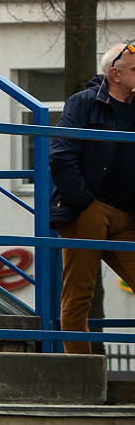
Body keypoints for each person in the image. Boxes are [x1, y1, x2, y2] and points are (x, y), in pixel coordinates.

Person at [55, 44, 135, 352]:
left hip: (126, 215)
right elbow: (61, 155)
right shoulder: (84, 103)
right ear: (115, 74)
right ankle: (80, 378)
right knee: (79, 294)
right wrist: (86, 204)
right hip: (89, 210)